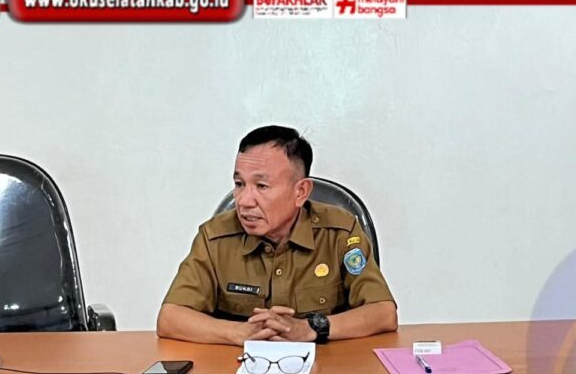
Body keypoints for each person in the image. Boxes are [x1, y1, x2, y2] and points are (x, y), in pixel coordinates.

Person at [157, 125, 397, 345]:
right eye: (239, 184)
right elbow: (170, 318)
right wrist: (239, 333)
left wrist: (311, 328)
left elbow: (383, 313)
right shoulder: (215, 238)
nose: (244, 201)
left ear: (301, 192)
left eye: (261, 186)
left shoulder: (339, 233)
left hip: (324, 370)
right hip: (239, 371)